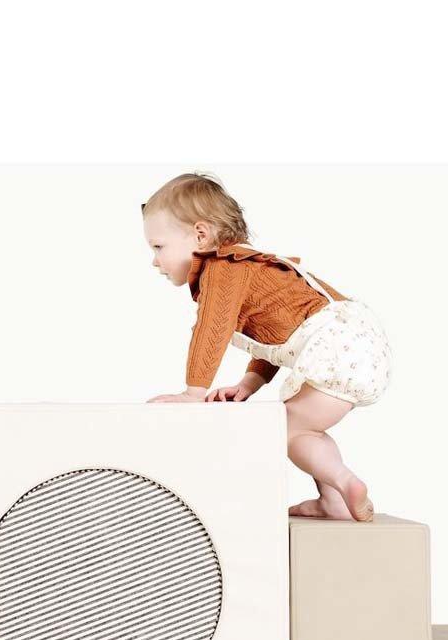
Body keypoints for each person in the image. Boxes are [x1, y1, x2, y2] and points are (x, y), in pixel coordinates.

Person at [142, 172, 392, 522]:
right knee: (301, 427)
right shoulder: (250, 268)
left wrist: (193, 393)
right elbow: (277, 336)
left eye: (158, 247)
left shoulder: (222, 269)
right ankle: (333, 501)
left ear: (200, 235)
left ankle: (344, 481)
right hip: (352, 345)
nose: (154, 261)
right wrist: (250, 383)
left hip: (339, 348)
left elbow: (212, 329)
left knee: (284, 429)